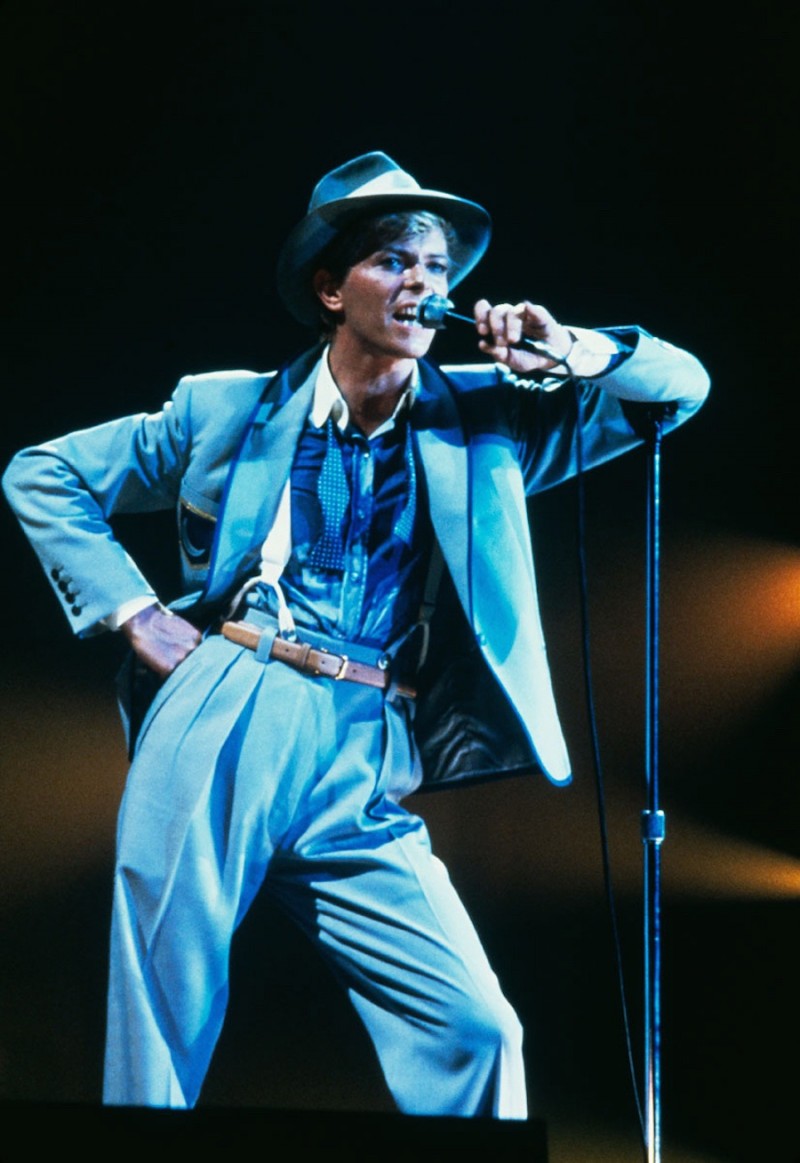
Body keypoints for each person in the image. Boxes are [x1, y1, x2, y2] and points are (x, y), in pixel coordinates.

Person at [3, 151, 709, 1117]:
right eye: (393, 260)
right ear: (332, 288)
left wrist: (572, 349)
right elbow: (43, 473)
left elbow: (680, 388)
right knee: (164, 992)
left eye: (438, 267)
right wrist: (137, 614)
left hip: (371, 739)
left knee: (475, 1026)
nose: (423, 281)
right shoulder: (226, 406)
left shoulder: (490, 418)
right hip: (236, 696)